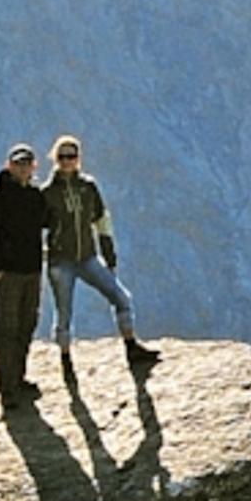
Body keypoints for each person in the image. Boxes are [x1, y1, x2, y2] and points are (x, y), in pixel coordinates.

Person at [42, 135, 161, 371]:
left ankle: (131, 346)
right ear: (55, 158)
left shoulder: (88, 187)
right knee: (63, 313)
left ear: (78, 158)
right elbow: (34, 226)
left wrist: (109, 255)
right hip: (61, 261)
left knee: (121, 297)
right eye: (62, 156)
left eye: (71, 156)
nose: (67, 161)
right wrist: (44, 253)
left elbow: (101, 221)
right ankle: (65, 358)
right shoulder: (47, 193)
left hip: (88, 257)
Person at [0, 143, 49, 410]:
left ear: (34, 166)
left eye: (27, 163)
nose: (23, 168)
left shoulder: (35, 196)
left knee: (27, 324)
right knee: (7, 329)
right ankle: (7, 389)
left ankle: (18, 377)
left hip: (32, 271)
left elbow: (48, 222)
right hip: (9, 274)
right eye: (18, 164)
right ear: (9, 166)